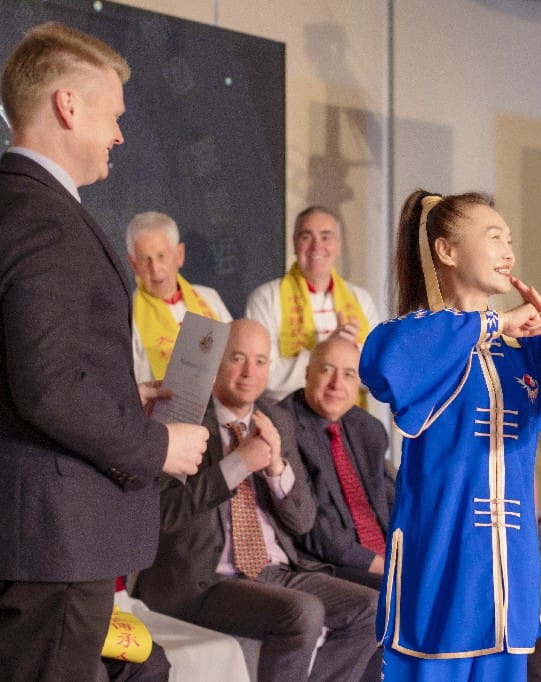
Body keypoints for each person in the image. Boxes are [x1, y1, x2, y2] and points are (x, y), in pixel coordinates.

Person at [0, 22, 208, 681]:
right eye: (112, 114)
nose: (118, 134)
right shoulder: (40, 216)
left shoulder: (2, 204)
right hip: (50, 538)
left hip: (29, 531)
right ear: (68, 105)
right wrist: (155, 447)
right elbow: (48, 387)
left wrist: (122, 396)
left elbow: (29, 369)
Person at [359, 190, 541, 680]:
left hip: (508, 574)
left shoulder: (521, 351)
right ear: (446, 251)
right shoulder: (416, 335)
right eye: (493, 237)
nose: (508, 250)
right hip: (440, 564)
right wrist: (494, 322)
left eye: (509, 239)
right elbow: (386, 360)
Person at [133, 319, 380, 682]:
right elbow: (163, 514)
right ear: (216, 360)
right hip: (208, 578)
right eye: (238, 358)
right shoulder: (181, 416)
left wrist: (276, 467)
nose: (250, 371)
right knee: (303, 612)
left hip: (276, 570)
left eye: (261, 361)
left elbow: (303, 522)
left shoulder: (276, 418)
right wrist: (238, 464)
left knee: (373, 608)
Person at [0, 414, 172, 682]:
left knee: (148, 663)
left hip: (40, 603)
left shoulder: (51, 436)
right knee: (84, 671)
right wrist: (28, 597)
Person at [279, 336, 393, 590]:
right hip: (327, 564)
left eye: (349, 374)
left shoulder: (368, 428)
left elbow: (391, 501)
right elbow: (310, 529)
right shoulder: (284, 426)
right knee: (404, 593)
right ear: (308, 373)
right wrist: (382, 565)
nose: (336, 384)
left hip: (385, 555)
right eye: (327, 370)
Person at [245, 206, 379, 401]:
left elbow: (377, 375)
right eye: (306, 237)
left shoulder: (361, 299)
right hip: (288, 419)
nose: (317, 246)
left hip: (348, 420)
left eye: (326, 237)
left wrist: (352, 352)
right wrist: (326, 352)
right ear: (294, 244)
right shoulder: (265, 298)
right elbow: (263, 377)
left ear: (338, 245)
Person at [127, 210, 233, 382]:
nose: (155, 269)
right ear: (133, 264)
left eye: (162, 256)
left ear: (179, 255)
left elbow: (234, 351)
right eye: (146, 260)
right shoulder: (127, 315)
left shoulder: (209, 298)